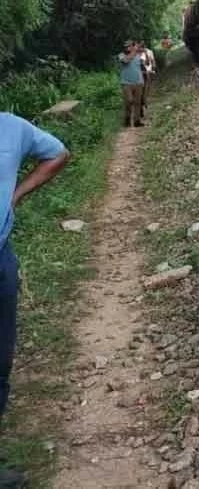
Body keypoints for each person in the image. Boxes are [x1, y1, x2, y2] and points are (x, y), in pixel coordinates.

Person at [0, 112, 69, 486]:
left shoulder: (12, 128)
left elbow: (58, 153)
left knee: (0, 359)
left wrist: (15, 196)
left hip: (0, 259)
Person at [118, 41, 145, 127]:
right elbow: (126, 61)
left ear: (132, 46)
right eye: (125, 46)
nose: (127, 48)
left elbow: (143, 65)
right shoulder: (121, 55)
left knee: (137, 102)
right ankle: (127, 119)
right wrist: (135, 51)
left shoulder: (138, 55)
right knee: (129, 101)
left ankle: (137, 121)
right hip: (126, 83)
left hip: (138, 82)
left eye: (129, 46)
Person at [138, 40, 156, 120]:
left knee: (144, 92)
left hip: (146, 75)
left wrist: (153, 69)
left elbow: (150, 62)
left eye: (140, 47)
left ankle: (143, 103)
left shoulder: (148, 52)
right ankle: (141, 106)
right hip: (137, 76)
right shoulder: (134, 54)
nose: (139, 49)